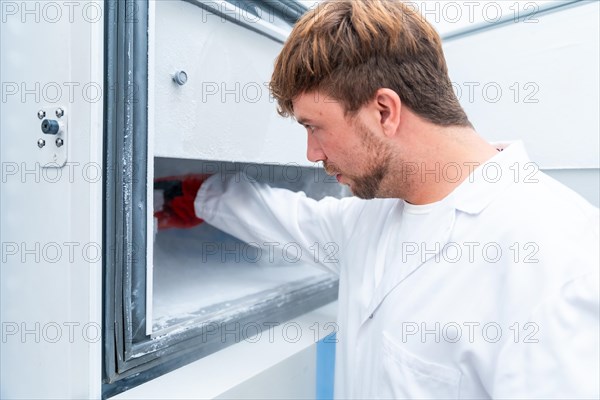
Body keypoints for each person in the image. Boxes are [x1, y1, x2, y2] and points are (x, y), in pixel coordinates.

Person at [155, 0, 600, 398]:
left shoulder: (558, 261)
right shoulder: (372, 219)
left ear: (384, 111)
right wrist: (196, 194)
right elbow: (292, 220)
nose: (312, 154)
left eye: (314, 127)